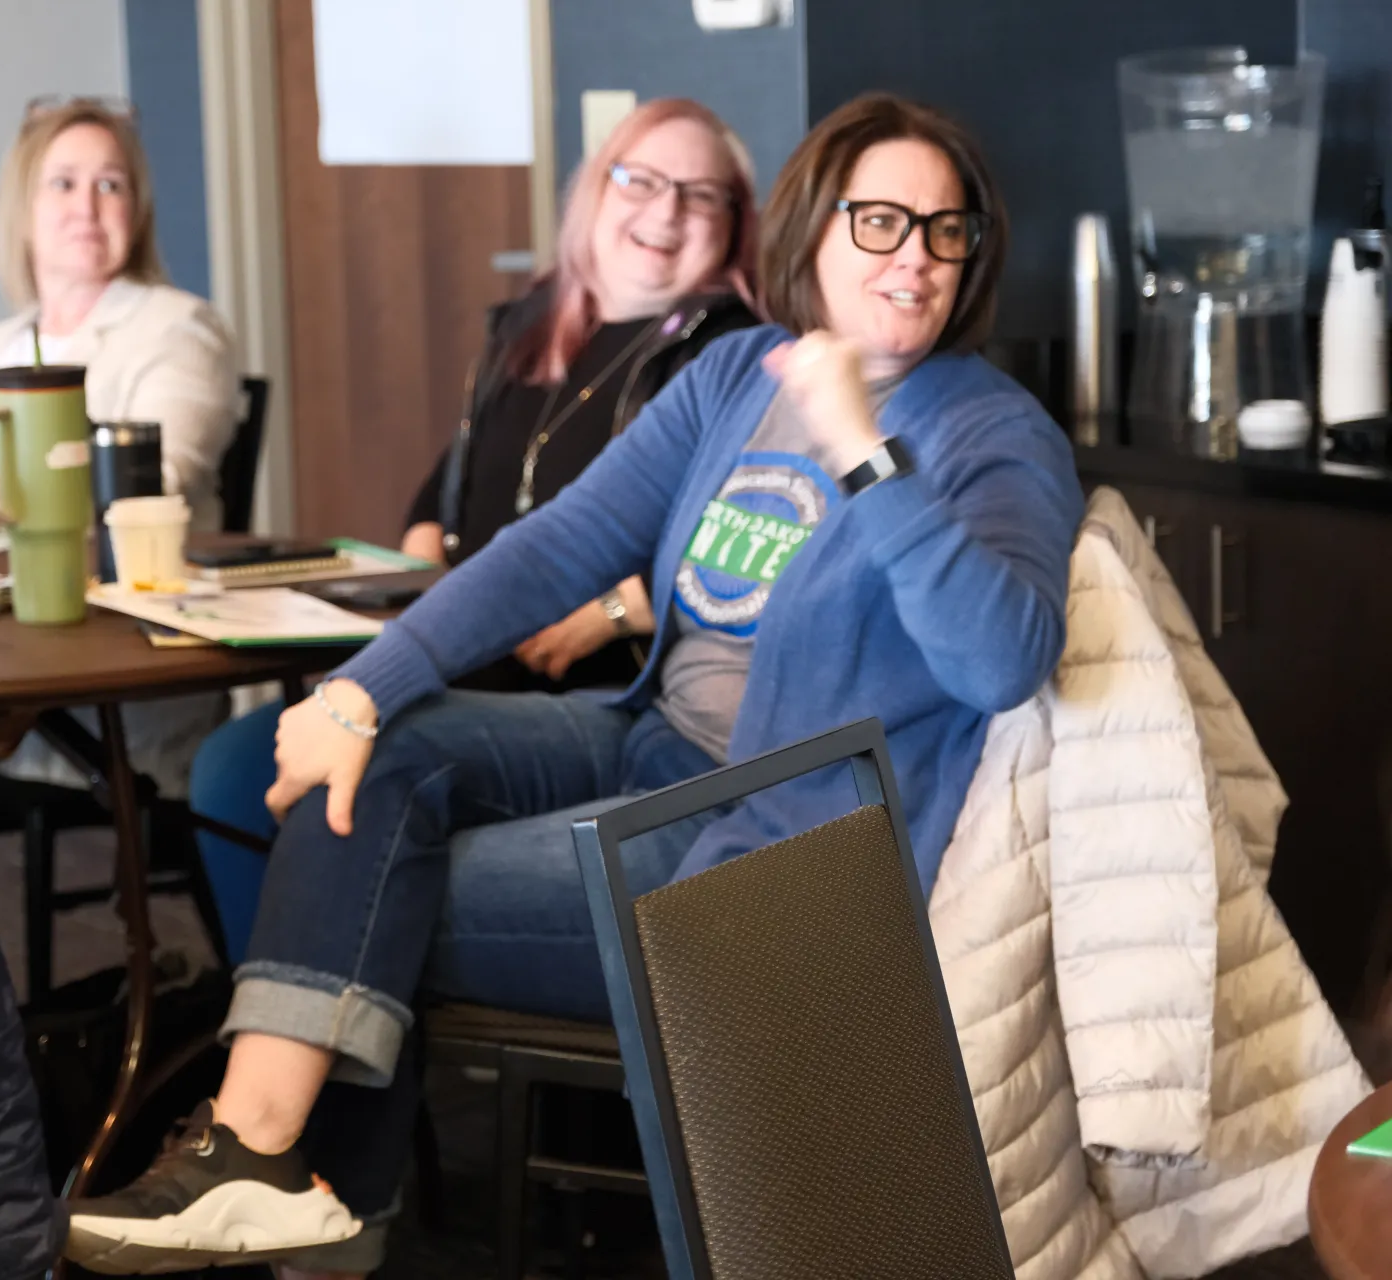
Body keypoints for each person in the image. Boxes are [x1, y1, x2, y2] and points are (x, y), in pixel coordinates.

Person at [67, 90, 1086, 1278]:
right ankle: (272, 1167)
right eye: (881, 221)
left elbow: (1004, 657)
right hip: (648, 744)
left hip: (779, 845)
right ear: (813, 229)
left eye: (944, 230)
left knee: (358, 882)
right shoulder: (739, 378)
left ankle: (298, 1182)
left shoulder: (989, 431)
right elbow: (557, 544)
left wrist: (868, 452)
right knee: (379, 758)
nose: (914, 257)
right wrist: (357, 688)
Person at [190, 97, 761, 962]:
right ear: (595, 192)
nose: (665, 211)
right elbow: (445, 491)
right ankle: (280, 1014)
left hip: (588, 688)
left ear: (734, 225)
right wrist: (423, 553)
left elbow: (742, 550)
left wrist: (610, 612)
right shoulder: (530, 327)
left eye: (699, 194)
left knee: (302, 791)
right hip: (465, 647)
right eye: (640, 180)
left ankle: (342, 1045)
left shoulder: (727, 358)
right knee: (238, 769)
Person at [0, 96, 241, 796]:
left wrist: (16, 495)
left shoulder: (178, 332)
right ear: (22, 209)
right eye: (63, 183)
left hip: (93, 659)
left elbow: (158, 481)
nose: (86, 205)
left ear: (137, 209)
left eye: (110, 184)